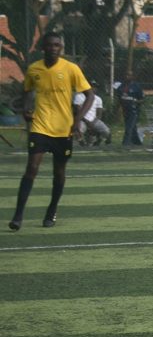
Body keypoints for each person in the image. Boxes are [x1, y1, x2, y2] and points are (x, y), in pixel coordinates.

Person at [9, 32, 94, 231]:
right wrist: (27, 109)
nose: (53, 48)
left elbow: (89, 96)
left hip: (63, 129)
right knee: (32, 168)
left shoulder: (71, 69)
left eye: (57, 45)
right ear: (43, 48)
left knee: (59, 172)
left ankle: (51, 210)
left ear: (60, 48)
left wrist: (77, 120)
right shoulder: (34, 69)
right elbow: (27, 91)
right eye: (50, 45)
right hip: (40, 126)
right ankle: (18, 216)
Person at [118, 71, 144, 146]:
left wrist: (135, 101)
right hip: (125, 109)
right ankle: (137, 141)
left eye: (129, 75)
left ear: (132, 76)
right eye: (126, 75)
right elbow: (119, 97)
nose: (127, 77)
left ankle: (126, 142)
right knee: (132, 126)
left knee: (129, 126)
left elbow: (142, 99)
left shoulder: (136, 87)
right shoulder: (121, 86)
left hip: (134, 110)